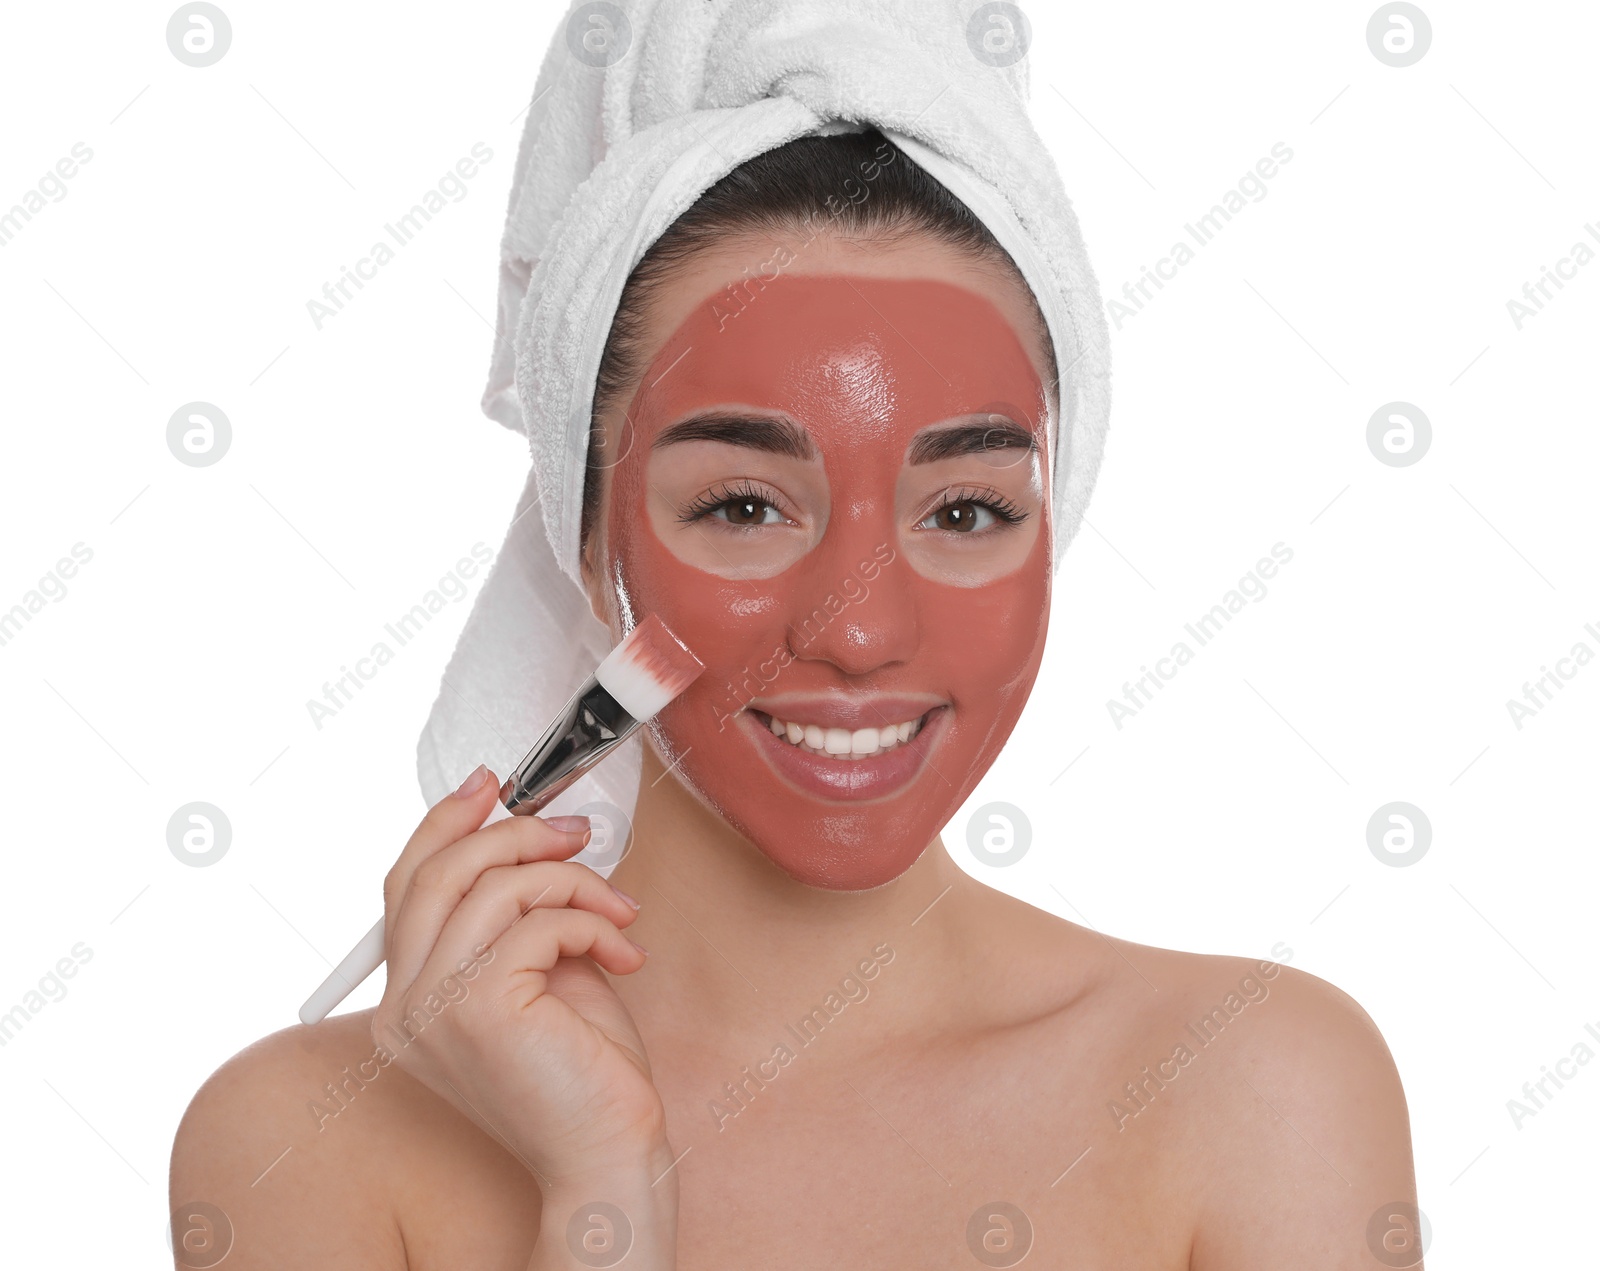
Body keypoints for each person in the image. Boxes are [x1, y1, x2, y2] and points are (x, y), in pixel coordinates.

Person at [170, 128, 1421, 1270]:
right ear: (590, 539)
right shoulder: (297, 1143)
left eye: (967, 509)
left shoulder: (1259, 1087)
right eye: (744, 506)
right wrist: (602, 1193)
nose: (862, 630)